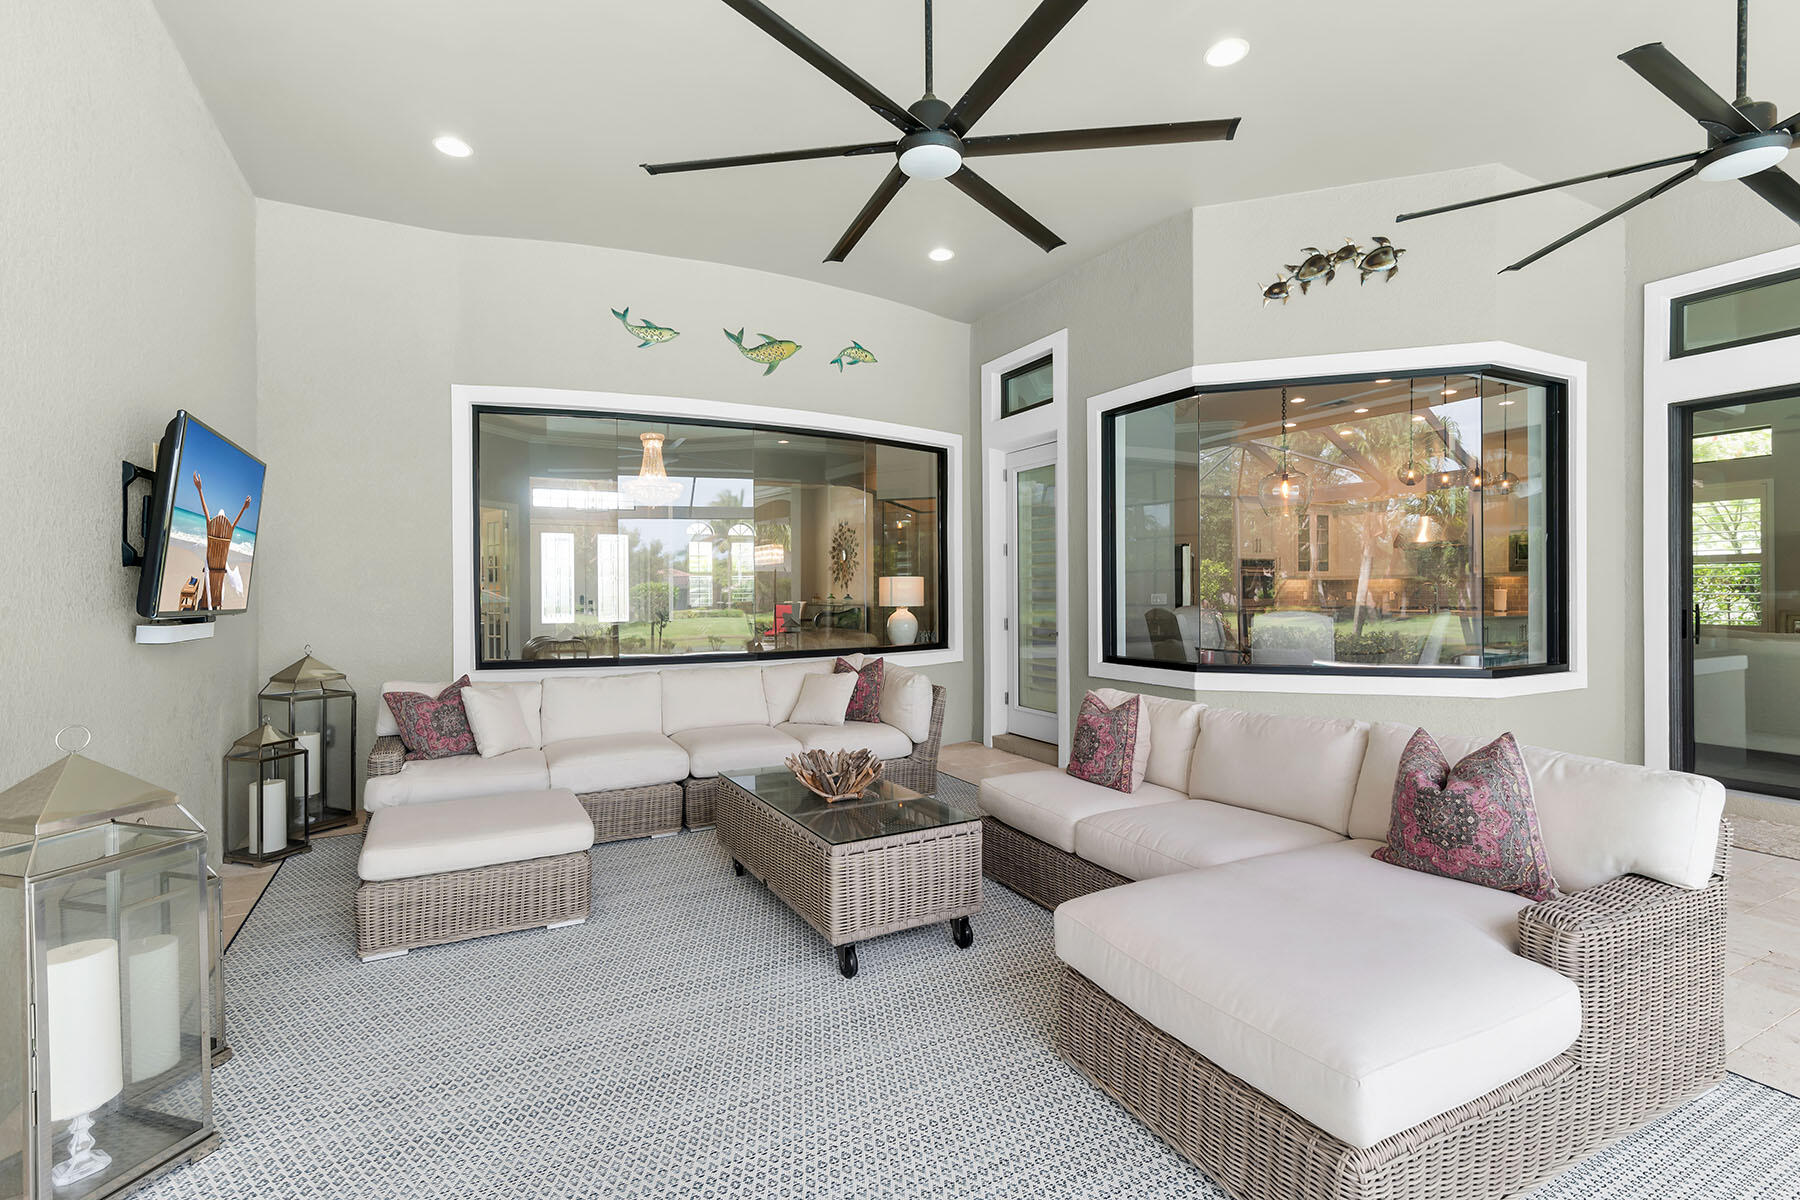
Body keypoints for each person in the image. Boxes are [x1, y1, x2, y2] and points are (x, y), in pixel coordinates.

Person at [192, 471, 251, 610]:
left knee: (205, 593)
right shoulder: (229, 531)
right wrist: (244, 507)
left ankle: (205, 602)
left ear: (215, 519)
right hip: (220, 571)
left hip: (209, 569)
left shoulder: (210, 525)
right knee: (218, 585)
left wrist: (199, 489)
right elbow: (236, 520)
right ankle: (217, 603)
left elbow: (204, 509)